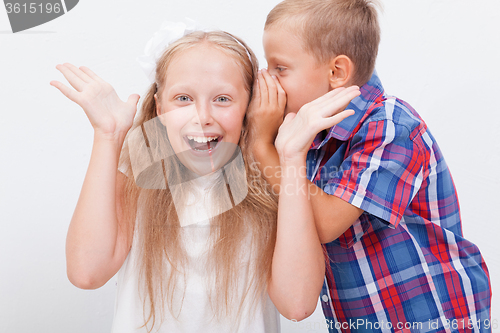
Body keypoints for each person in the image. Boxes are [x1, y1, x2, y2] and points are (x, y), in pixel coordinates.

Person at [249, 0, 492, 331]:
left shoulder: (390, 124)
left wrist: (263, 147)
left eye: (280, 68)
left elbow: (323, 223)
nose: (269, 80)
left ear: (336, 72)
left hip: (432, 317)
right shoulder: (307, 138)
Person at [50, 30, 283, 333]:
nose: (202, 116)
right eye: (183, 98)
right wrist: (108, 136)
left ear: (249, 107)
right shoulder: (136, 175)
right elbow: (86, 273)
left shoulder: (273, 177)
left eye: (222, 99)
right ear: (160, 108)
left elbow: (298, 306)